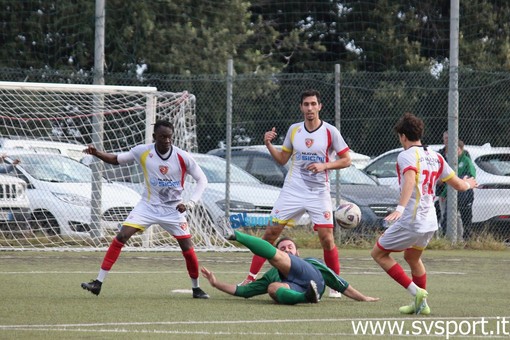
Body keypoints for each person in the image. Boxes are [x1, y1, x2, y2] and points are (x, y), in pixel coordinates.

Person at [240, 89, 352, 299]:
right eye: (306, 104)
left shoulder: (330, 132)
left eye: (313, 104)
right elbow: (283, 159)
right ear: (301, 107)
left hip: (318, 193)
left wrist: (324, 165)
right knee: (270, 234)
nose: (310, 108)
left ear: (319, 106)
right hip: (292, 191)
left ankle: (336, 283)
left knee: (327, 239)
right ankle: (250, 277)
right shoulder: (294, 130)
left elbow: (347, 159)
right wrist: (268, 144)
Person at [80, 120, 210, 299]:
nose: (167, 140)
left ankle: (196, 288)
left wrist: (190, 203)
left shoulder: (182, 156)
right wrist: (97, 153)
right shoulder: (143, 151)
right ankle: (98, 283)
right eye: (163, 137)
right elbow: (117, 159)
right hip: (148, 206)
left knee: (187, 248)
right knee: (122, 236)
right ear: (154, 137)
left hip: (174, 210)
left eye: (170, 137)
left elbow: (202, 180)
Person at [370, 113, 477, 315]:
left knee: (378, 253)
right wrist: (469, 183)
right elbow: (459, 185)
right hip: (429, 221)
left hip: (411, 219)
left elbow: (410, 179)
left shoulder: (406, 155)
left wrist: (400, 208)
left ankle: (416, 292)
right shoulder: (436, 157)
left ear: (403, 136)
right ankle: (422, 305)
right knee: (412, 257)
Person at [202, 226, 379, 305]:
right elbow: (244, 291)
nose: (287, 250)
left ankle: (234, 235)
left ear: (297, 252)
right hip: (298, 289)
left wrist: (363, 298)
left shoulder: (311, 263)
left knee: (276, 258)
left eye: (290, 248)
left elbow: (341, 284)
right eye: (283, 248)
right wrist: (216, 283)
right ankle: (306, 297)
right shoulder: (273, 274)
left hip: (313, 280)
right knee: (272, 287)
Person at [437, 140, 476, 241]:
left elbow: (472, 176)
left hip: (464, 195)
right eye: (453, 149)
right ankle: (446, 239)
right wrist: (443, 193)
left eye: (457, 149)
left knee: (465, 217)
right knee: (447, 217)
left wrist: (465, 179)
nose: (455, 151)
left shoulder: (466, 160)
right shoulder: (449, 161)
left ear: (461, 149)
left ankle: (466, 240)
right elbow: (448, 180)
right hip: (451, 195)